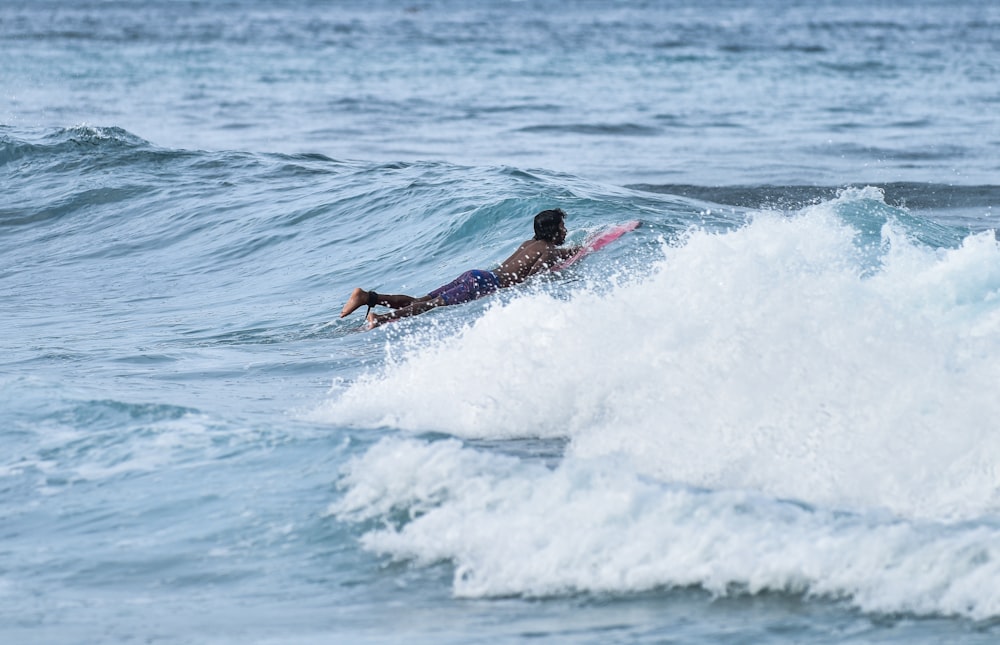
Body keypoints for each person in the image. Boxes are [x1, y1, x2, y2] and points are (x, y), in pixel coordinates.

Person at [340, 208, 579, 328]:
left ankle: (369, 297)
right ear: (553, 231)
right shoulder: (547, 250)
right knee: (430, 306)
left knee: (421, 300)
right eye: (562, 226)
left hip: (477, 275)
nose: (565, 231)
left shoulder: (529, 243)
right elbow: (532, 279)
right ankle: (380, 320)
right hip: (485, 284)